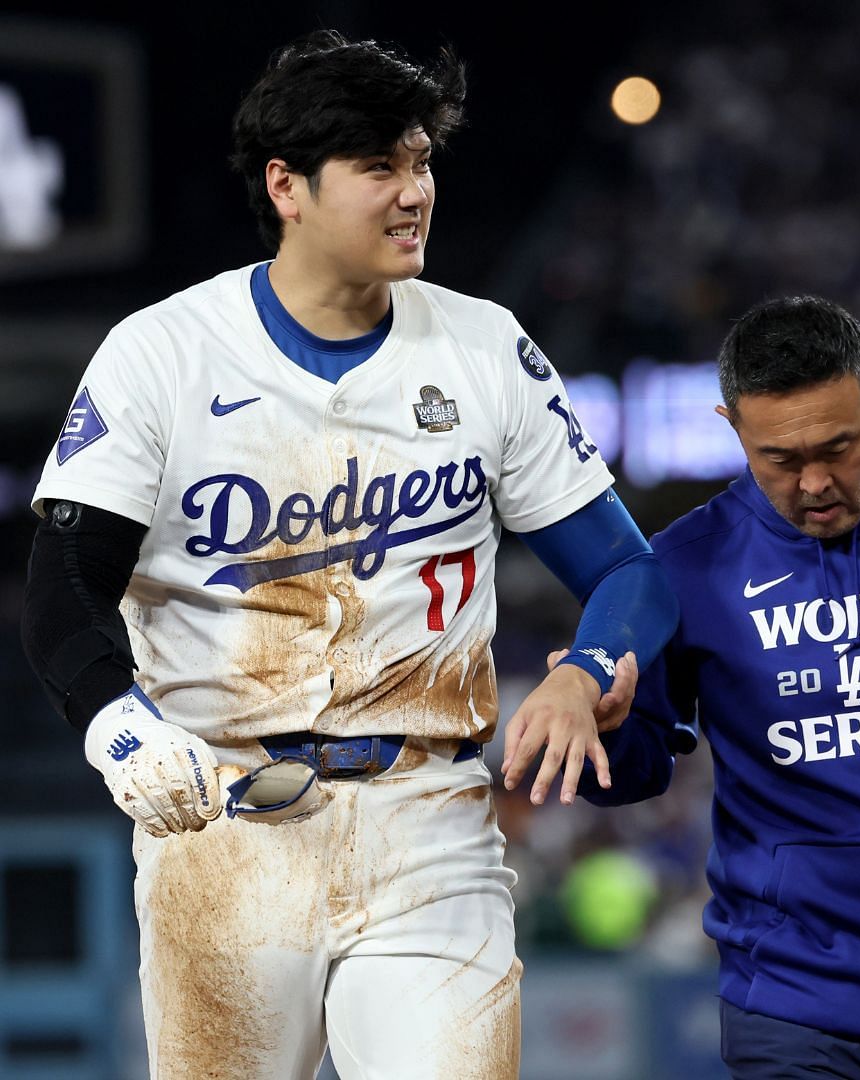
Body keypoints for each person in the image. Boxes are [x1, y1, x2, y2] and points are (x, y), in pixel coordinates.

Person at [20, 32, 674, 1077]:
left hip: (433, 824)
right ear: (287, 185)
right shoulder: (164, 353)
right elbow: (62, 583)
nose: (413, 192)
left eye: (420, 162)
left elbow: (631, 571)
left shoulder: (483, 345)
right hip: (224, 828)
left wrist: (589, 668)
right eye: (379, 166)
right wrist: (116, 725)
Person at [585, 296, 860, 1078]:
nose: (814, 483)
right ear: (732, 427)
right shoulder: (685, 565)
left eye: (840, 447)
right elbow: (636, 774)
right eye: (779, 458)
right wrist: (607, 730)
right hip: (796, 1008)